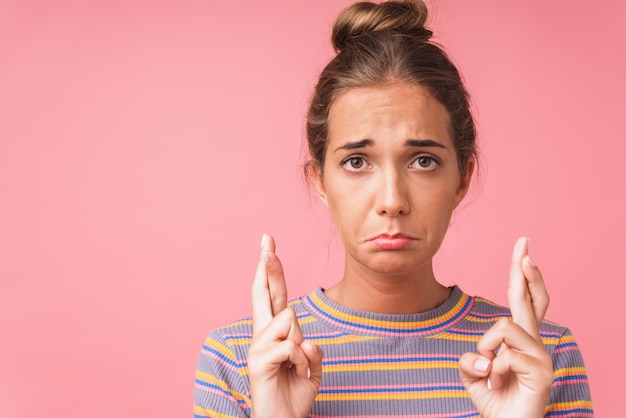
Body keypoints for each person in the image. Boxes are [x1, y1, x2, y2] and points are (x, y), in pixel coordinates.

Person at [194, 1, 593, 416]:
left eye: (423, 161)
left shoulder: (539, 359)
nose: (391, 202)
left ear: (462, 178)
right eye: (356, 162)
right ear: (320, 182)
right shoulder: (241, 360)